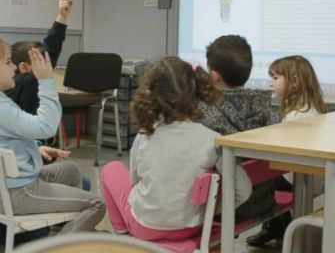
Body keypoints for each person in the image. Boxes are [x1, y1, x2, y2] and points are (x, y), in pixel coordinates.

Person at [100, 56, 252, 240]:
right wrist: (213, 209)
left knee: (110, 169)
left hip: (145, 227)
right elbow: (243, 190)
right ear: (195, 92)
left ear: (153, 95)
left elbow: (134, 182)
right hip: (194, 227)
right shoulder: (213, 140)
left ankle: (124, 237)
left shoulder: (145, 134)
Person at [0, 42, 105, 235]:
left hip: (12, 183)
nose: (13, 67)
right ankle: (61, 246)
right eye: (8, 62)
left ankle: (65, 230)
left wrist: (36, 148)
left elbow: (7, 139)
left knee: (71, 171)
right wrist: (47, 81)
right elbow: (46, 127)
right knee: (97, 204)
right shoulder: (2, 107)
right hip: (18, 191)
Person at [246, 55, 327, 248]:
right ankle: (279, 225)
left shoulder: (295, 117)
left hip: (299, 179)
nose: (270, 84)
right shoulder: (312, 109)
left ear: (294, 82)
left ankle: (276, 225)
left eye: (275, 78)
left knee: (254, 179)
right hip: (314, 177)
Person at [198, 35, 276, 222]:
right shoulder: (267, 111)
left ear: (214, 76)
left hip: (223, 206)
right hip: (264, 201)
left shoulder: (202, 114)